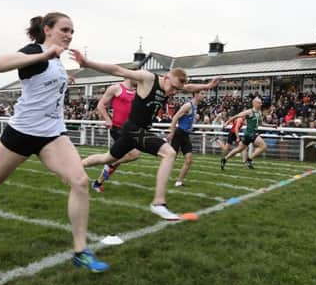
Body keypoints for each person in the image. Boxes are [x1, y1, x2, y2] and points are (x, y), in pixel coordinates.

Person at [0, 12, 109, 272]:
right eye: (65, 29)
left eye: (72, 31)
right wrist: (43, 55)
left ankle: (80, 250)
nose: (69, 35)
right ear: (47, 29)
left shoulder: (57, 61)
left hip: (53, 134)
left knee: (80, 181)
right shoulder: (35, 52)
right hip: (22, 132)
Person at [75, 53, 220, 220]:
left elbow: (188, 88)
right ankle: (158, 203)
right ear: (166, 78)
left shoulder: (171, 86)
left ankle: (77, 166)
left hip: (135, 131)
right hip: (134, 129)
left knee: (107, 158)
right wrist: (87, 63)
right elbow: (117, 69)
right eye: (172, 88)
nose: (173, 92)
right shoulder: (147, 78)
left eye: (176, 90)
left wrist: (208, 86)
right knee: (169, 153)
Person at [88, 73, 140, 193]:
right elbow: (100, 105)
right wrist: (107, 119)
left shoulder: (138, 92)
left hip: (130, 128)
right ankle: (79, 167)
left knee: (117, 157)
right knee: (134, 154)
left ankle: (98, 182)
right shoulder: (116, 88)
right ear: (129, 76)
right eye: (137, 76)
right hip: (118, 128)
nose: (139, 78)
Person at [167, 90, 206, 187]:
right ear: (195, 94)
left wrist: (194, 118)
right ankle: (162, 177)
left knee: (189, 160)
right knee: (171, 159)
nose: (204, 96)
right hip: (179, 134)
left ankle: (179, 182)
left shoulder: (195, 107)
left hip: (185, 135)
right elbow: (175, 117)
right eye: (202, 93)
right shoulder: (188, 105)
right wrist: (171, 132)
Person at [220, 97, 270, 170]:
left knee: (239, 149)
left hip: (251, 134)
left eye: (261, 103)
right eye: (259, 103)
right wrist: (226, 123)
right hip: (250, 133)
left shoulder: (259, 112)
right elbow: (236, 116)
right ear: (254, 103)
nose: (261, 104)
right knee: (263, 146)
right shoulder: (249, 112)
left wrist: (272, 126)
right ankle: (249, 159)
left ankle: (224, 159)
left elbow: (261, 123)